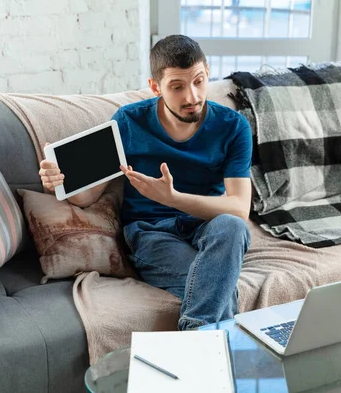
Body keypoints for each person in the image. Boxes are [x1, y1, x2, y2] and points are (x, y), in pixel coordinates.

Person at [38, 35, 252, 331]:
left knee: (233, 227)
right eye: (177, 87)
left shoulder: (233, 126)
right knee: (218, 284)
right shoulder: (128, 122)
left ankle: (195, 342)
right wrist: (59, 181)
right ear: (156, 87)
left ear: (207, 72)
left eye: (199, 81)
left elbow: (239, 209)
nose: (192, 97)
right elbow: (88, 197)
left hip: (208, 226)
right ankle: (199, 341)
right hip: (151, 234)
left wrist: (174, 197)